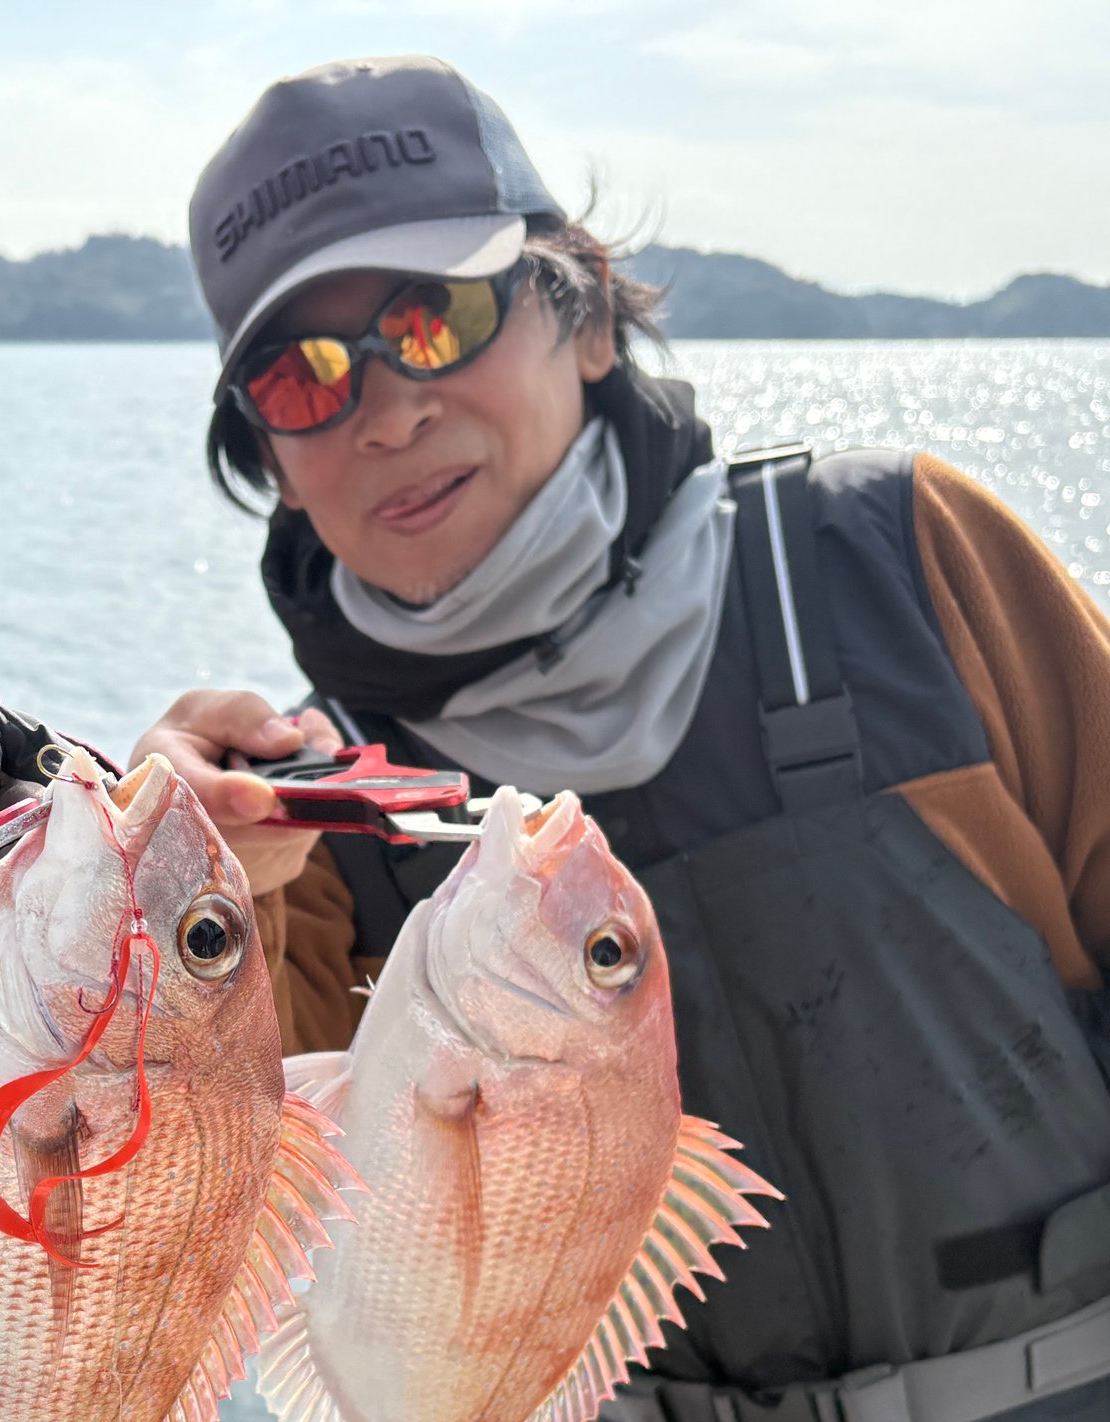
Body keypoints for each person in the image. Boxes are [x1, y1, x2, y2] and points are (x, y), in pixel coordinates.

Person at [131, 56, 1110, 1422]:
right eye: (304, 382)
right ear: (268, 453)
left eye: (436, 320)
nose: (390, 412)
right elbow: (187, 1230)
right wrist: (157, 893)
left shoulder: (898, 559)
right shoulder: (305, 824)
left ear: (583, 314)